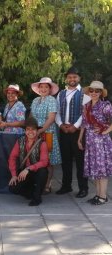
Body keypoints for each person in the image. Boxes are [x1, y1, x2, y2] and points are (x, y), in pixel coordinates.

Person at [56, 67, 91, 198]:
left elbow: (85, 113)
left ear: (79, 78)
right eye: (70, 77)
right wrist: (60, 125)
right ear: (66, 78)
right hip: (64, 130)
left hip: (78, 132)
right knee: (66, 160)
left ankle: (83, 188)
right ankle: (66, 186)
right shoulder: (61, 93)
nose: (72, 79)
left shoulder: (85, 94)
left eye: (74, 77)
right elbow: (58, 112)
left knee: (81, 161)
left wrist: (75, 126)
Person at [78, 81, 112, 205]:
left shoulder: (105, 105)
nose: (93, 93)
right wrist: (79, 138)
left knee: (101, 169)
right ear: (89, 92)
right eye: (91, 90)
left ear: (101, 93)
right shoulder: (86, 106)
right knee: (96, 169)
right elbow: (84, 124)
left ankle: (103, 196)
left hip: (102, 141)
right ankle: (98, 195)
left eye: (97, 91)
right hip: (90, 140)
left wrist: (106, 130)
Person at [8, 117, 49, 206]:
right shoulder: (20, 141)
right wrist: (14, 175)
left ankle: (37, 198)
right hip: (24, 173)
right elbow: (12, 157)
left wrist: (29, 168)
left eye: (33, 129)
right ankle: (31, 193)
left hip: (36, 172)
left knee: (43, 171)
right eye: (28, 129)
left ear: (37, 130)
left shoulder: (42, 143)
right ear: (25, 130)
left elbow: (44, 162)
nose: (30, 132)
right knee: (12, 187)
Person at [30, 77, 61, 194]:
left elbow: (51, 118)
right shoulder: (35, 101)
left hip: (48, 133)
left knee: (48, 160)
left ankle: (47, 185)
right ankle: (38, 183)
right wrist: (32, 130)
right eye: (41, 87)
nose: (43, 89)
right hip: (35, 132)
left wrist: (41, 130)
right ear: (38, 88)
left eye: (46, 87)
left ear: (50, 89)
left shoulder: (52, 100)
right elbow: (31, 117)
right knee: (35, 158)